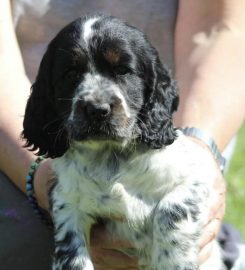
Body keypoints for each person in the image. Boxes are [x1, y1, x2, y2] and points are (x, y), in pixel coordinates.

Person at [0, 0, 244, 269]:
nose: (97, 103)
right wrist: (39, 178)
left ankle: (224, 245)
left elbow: (223, 27)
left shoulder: (176, 157)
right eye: (72, 73)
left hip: (175, 142)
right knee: (26, 240)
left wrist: (202, 144)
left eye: (121, 70)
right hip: (12, 148)